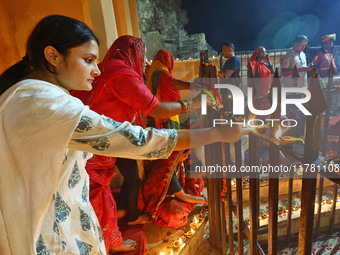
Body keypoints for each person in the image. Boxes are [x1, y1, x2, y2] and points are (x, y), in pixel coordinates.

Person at [0, 15, 248, 255]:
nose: (96, 71)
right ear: (53, 56)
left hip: (33, 212)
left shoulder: (24, 94)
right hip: (43, 229)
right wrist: (216, 132)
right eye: (87, 60)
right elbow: (141, 140)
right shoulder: (51, 106)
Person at [70, 37, 206, 252]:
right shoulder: (122, 73)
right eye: (142, 59)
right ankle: (107, 241)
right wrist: (192, 104)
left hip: (92, 142)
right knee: (98, 195)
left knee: (98, 193)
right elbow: (157, 109)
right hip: (98, 145)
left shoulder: (105, 69)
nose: (143, 65)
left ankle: (109, 235)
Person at [140, 149, 207, 228]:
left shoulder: (178, 161)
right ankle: (190, 202)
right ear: (177, 155)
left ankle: (190, 202)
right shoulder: (169, 169)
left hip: (176, 194)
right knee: (177, 215)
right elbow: (182, 196)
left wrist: (197, 173)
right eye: (185, 156)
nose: (186, 158)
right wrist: (203, 200)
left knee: (198, 180)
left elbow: (186, 174)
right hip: (161, 200)